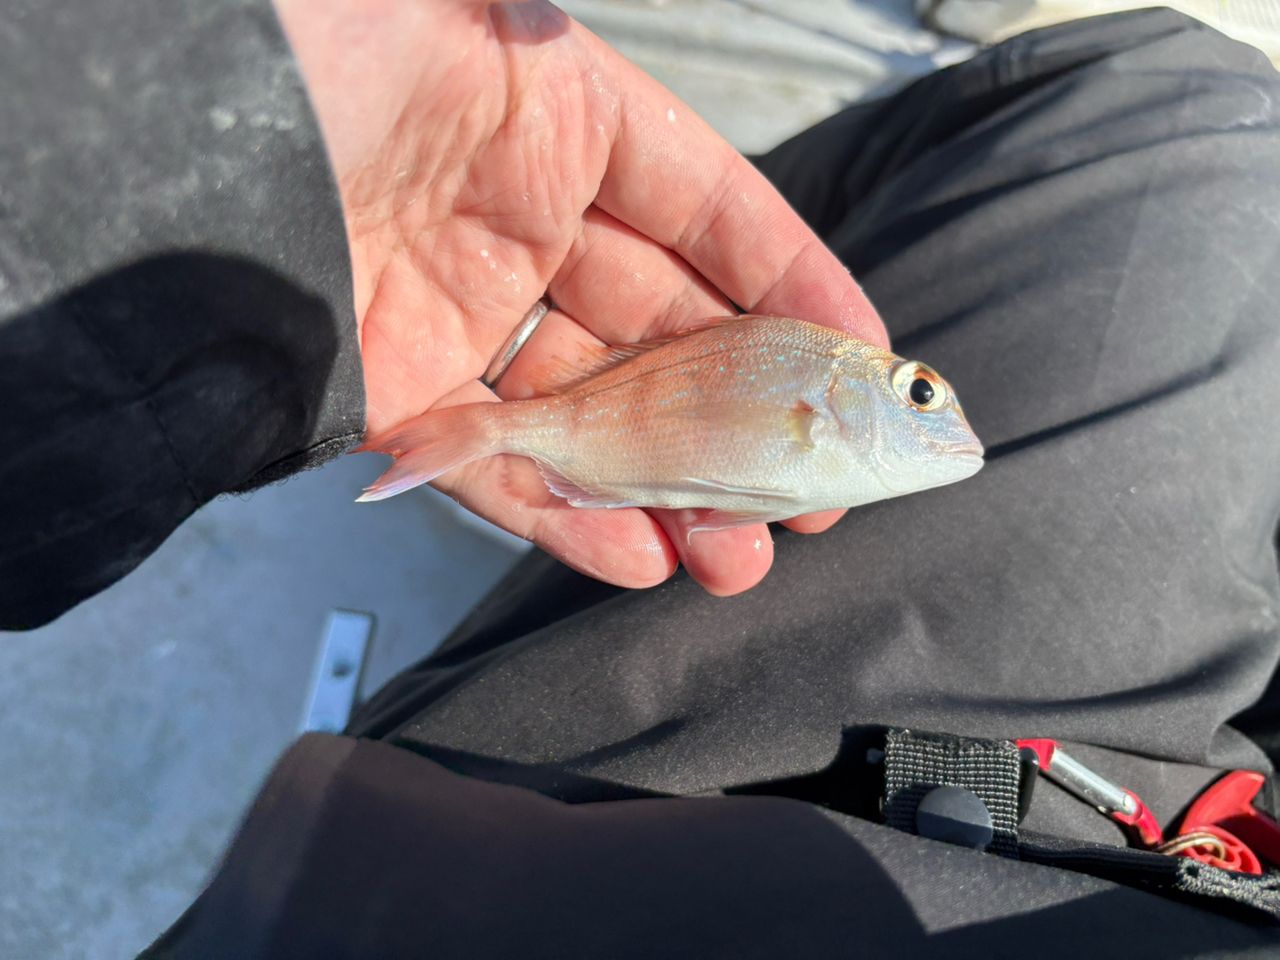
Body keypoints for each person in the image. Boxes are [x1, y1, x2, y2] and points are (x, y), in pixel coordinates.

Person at [3, 1, 1279, 957]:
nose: (933, 414)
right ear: (845, 399)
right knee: (1196, 90)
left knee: (1183, 97)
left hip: (422, 879)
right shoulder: (814, 399)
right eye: (914, 394)